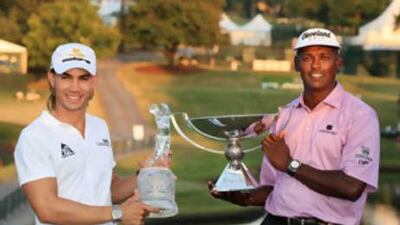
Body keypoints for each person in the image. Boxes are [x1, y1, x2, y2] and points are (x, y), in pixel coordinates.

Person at [209, 28, 380, 225]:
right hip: (276, 220)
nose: (315, 65)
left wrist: (291, 164)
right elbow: (274, 187)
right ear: (296, 64)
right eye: (307, 57)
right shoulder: (285, 115)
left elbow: (352, 187)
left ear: (338, 63)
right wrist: (244, 198)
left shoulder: (360, 115)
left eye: (324, 57)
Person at [14, 43, 164, 225]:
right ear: (52, 79)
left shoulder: (99, 126)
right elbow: (48, 208)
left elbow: (108, 189)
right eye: (66, 77)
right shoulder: (34, 136)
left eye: (83, 78)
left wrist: (145, 174)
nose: (75, 87)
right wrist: (118, 213)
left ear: (93, 81)